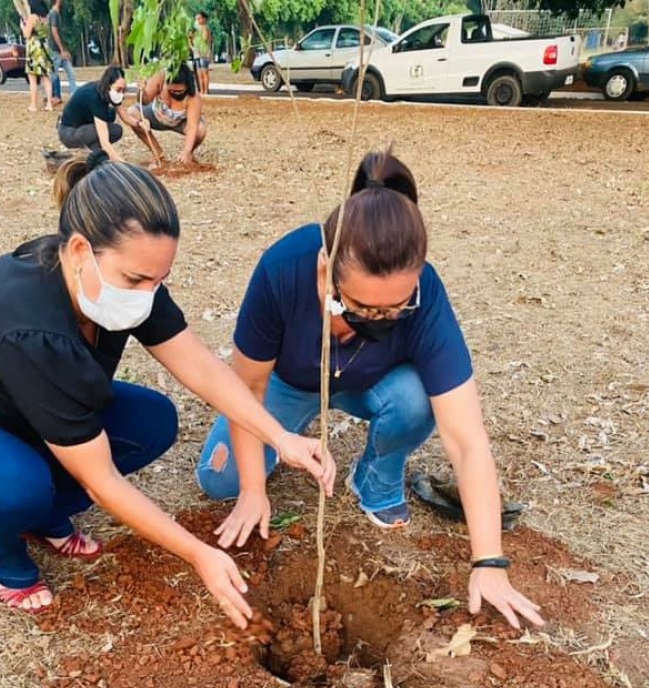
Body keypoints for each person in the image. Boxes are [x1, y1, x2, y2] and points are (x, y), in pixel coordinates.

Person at [0, 152, 335, 626]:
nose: (147, 293)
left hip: (13, 416)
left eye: (159, 280)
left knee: (151, 422)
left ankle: (40, 515)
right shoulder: (33, 331)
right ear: (80, 251)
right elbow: (101, 480)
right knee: (14, 485)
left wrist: (280, 438)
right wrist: (198, 553)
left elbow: (201, 367)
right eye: (136, 279)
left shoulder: (121, 281)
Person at [196, 150, 544, 631]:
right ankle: (270, 458)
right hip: (287, 384)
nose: (379, 319)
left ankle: (376, 481)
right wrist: (253, 490)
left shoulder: (427, 297)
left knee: (417, 397)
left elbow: (466, 439)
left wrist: (489, 562)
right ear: (326, 269)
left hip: (373, 385)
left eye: (395, 309)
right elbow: (248, 385)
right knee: (220, 480)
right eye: (361, 306)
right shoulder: (282, 270)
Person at [59, 65, 152, 162]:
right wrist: (122, 163)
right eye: (119, 89)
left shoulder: (109, 92)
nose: (121, 94)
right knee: (105, 134)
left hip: (84, 127)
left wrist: (140, 123)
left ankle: (94, 152)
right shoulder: (95, 98)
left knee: (116, 129)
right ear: (109, 85)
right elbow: (105, 141)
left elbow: (124, 116)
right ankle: (94, 154)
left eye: (123, 90)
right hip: (69, 132)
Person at [127, 63, 205, 167]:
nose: (176, 94)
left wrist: (187, 151)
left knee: (200, 130)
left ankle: (189, 154)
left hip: (180, 123)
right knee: (131, 113)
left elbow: (192, 127)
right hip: (155, 115)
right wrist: (141, 91)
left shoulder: (194, 98)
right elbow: (144, 101)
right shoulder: (160, 77)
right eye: (172, 91)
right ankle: (157, 152)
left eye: (180, 91)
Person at [21, 0, 54, 112]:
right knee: (46, 78)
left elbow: (26, 34)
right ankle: (49, 104)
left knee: (33, 79)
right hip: (44, 48)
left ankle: (33, 105)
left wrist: (23, 26)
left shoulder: (32, 17)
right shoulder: (46, 18)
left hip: (34, 49)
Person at [48, 0, 77, 104]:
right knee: (53, 75)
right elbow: (54, 32)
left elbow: (60, 34)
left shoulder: (58, 13)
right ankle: (51, 96)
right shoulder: (53, 14)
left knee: (71, 73)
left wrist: (65, 50)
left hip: (61, 50)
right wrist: (61, 50)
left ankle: (75, 96)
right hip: (55, 50)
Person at [190, 11, 213, 95]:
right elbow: (192, 40)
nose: (197, 20)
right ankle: (201, 91)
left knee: (204, 72)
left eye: (199, 18)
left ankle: (206, 91)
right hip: (197, 53)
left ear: (204, 19)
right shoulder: (196, 30)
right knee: (199, 73)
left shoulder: (205, 28)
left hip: (203, 53)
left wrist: (197, 34)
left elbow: (205, 39)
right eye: (196, 19)